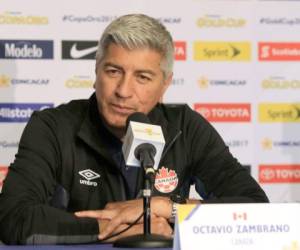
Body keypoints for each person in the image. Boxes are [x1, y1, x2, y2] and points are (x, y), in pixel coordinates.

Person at [0, 13, 268, 245]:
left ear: (165, 84)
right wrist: (121, 229)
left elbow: (255, 209)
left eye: (143, 77)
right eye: (114, 71)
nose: (123, 91)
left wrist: (167, 209)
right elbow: (12, 217)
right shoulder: (53, 127)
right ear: (96, 71)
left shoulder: (186, 127)